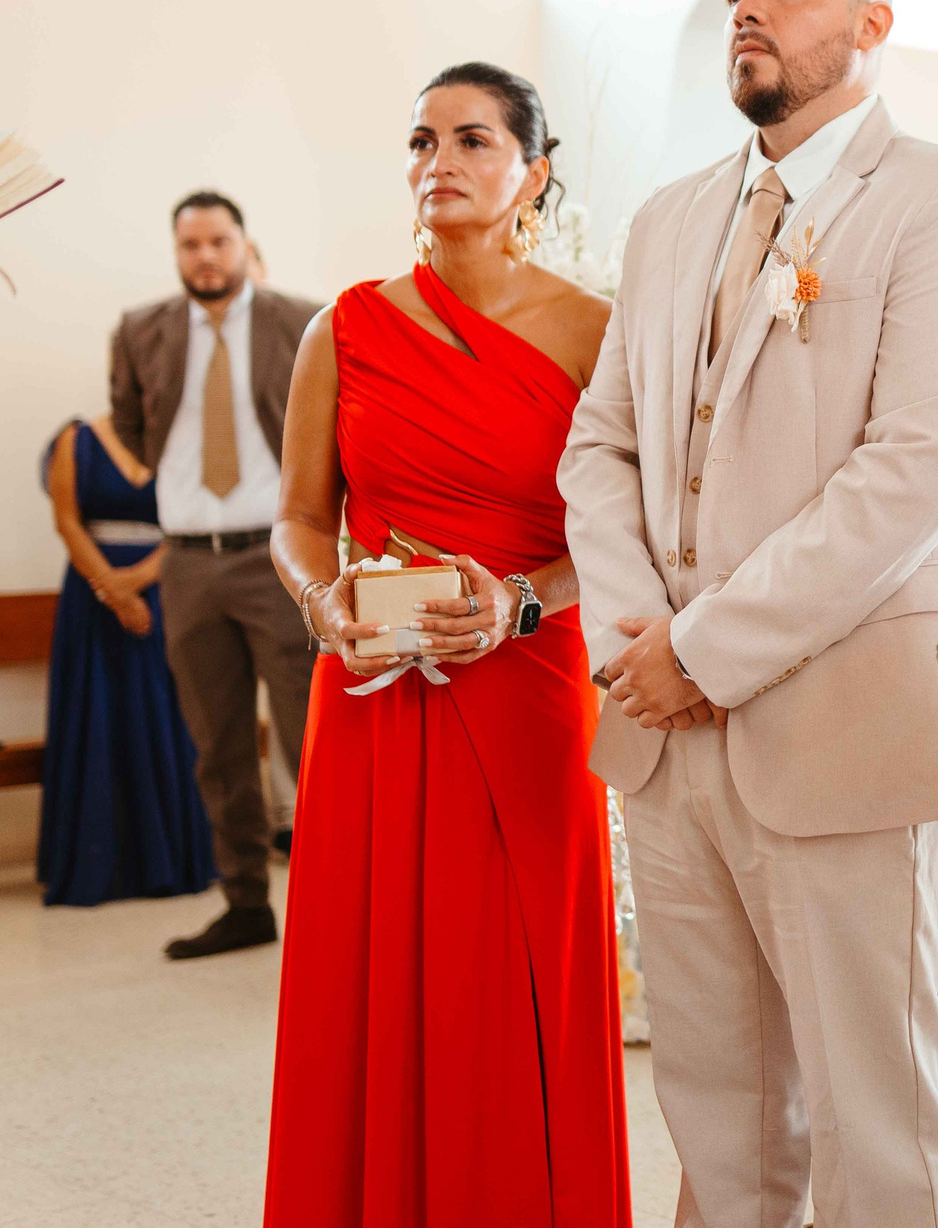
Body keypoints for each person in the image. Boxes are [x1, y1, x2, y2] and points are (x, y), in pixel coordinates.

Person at [564, 0, 938, 1228]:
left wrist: (705, 648)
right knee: (719, 1111)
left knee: (875, 1118)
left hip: (842, 720)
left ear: (873, 23)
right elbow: (601, 443)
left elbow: (915, 469)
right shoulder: (672, 217)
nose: (747, 7)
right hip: (663, 730)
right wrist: (640, 630)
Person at [264, 63, 629, 1226]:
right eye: (422, 141)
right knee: (369, 973)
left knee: (509, 972)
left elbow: (628, 541)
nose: (441, 162)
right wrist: (322, 606)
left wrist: (521, 602)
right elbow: (299, 516)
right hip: (370, 692)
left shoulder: (593, 335)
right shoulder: (347, 325)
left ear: (535, 171)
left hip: (524, 685)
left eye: (473, 140)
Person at [110, 191, 321, 959]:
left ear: (243, 243)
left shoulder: (305, 319)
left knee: (312, 741)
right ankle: (244, 903)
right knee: (217, 744)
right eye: (190, 244)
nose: (205, 256)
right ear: (175, 249)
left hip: (280, 559)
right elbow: (132, 425)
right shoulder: (142, 330)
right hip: (189, 562)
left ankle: (336, 907)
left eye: (219, 242)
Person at [36, 415, 213, 906]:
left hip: (164, 589)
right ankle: (95, 865)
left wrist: (133, 582)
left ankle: (168, 860)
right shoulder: (76, 439)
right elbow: (67, 522)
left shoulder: (182, 437)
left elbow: (192, 522)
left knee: (163, 713)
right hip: (91, 598)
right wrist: (111, 590)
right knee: (98, 715)